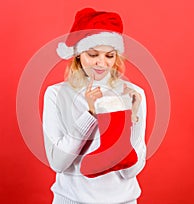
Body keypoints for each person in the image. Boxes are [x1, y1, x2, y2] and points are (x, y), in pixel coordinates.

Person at [43, 8, 147, 204]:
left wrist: (131, 118)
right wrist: (90, 114)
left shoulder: (134, 94)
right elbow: (58, 163)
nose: (101, 63)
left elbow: (131, 170)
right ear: (78, 55)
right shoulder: (57, 94)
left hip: (123, 201)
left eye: (109, 56)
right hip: (72, 200)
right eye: (93, 54)